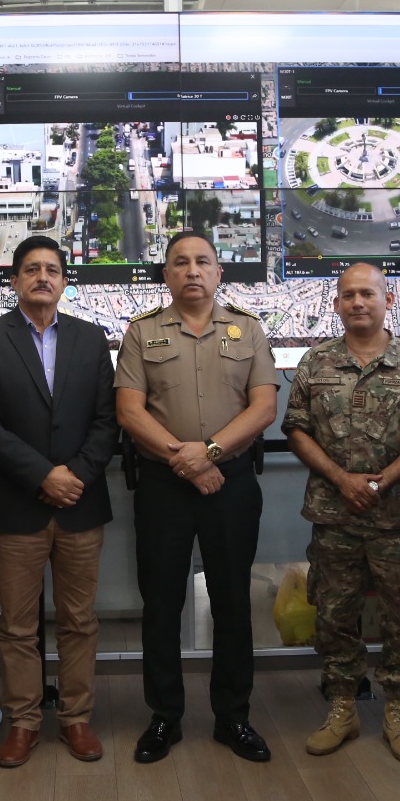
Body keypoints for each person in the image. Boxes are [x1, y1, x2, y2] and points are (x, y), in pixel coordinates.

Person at [115, 230, 278, 764]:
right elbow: (130, 412)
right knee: (162, 604)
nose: (192, 271)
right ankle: (165, 717)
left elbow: (262, 409)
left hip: (230, 482)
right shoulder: (141, 333)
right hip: (164, 485)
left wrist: (207, 453)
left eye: (202, 262)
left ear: (218, 273)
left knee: (234, 601)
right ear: (166, 275)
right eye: (180, 263)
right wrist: (184, 461)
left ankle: (234, 717)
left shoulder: (248, 330)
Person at [282, 264, 400, 762]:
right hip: (335, 516)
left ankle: (397, 709)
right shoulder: (315, 362)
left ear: (388, 299)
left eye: (368, 293)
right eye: (348, 295)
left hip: (396, 518)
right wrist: (342, 480)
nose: (358, 302)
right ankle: (343, 706)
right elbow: (296, 430)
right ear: (335, 304)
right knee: (333, 614)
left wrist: (382, 480)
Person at [0, 235, 117, 768]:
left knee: (80, 619)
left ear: (64, 281)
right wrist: (43, 476)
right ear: (14, 280)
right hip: (17, 505)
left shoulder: (92, 338)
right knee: (17, 624)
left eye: (52, 269)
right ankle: (23, 722)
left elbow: (107, 421)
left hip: (80, 502)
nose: (42, 277)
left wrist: (72, 475)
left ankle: (76, 719)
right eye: (31, 269)